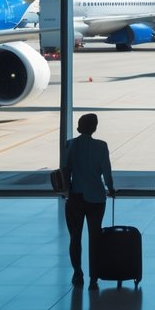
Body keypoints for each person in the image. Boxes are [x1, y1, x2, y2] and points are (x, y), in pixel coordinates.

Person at [62, 113, 115, 290]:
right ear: (94, 127)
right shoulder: (101, 146)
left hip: (76, 197)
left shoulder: (71, 145)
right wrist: (111, 189)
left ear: (79, 126)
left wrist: (67, 191)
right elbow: (106, 172)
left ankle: (78, 272)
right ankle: (94, 276)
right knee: (95, 237)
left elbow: (65, 170)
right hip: (96, 198)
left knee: (75, 237)